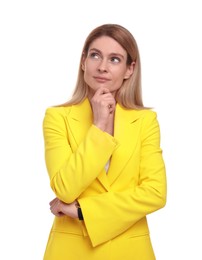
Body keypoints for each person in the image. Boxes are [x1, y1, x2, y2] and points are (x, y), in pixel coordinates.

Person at [42, 23, 167, 260]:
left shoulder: (145, 121)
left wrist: (83, 212)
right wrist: (98, 126)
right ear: (83, 62)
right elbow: (65, 188)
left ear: (130, 69)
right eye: (95, 55)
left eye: (115, 59)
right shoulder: (57, 117)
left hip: (131, 251)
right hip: (70, 251)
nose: (102, 67)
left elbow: (155, 193)